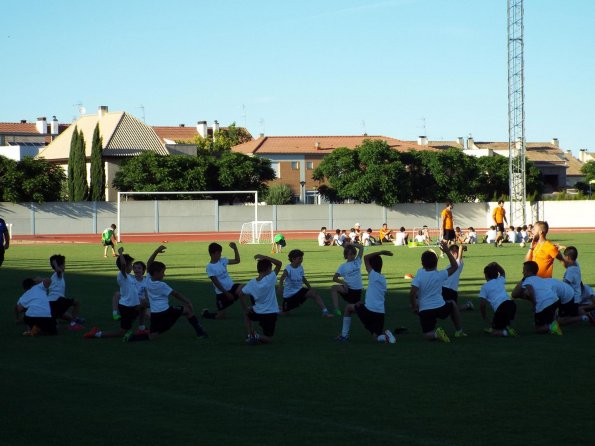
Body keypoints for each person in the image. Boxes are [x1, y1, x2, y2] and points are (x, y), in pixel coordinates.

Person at [124, 245, 207, 342]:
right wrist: (187, 301)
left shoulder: (148, 281)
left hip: (155, 314)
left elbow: (149, 263)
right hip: (165, 312)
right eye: (163, 272)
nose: (164, 274)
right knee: (187, 310)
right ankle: (200, 333)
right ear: (156, 273)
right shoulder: (162, 285)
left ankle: (131, 338)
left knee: (152, 336)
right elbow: (176, 294)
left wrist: (156, 251)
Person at [409, 241, 466, 342]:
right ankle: (459, 330)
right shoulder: (440, 275)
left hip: (425, 310)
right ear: (436, 263)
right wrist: (447, 252)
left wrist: (414, 307)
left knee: (427, 334)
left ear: (422, 263)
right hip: (440, 307)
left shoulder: (419, 275)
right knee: (452, 304)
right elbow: (455, 266)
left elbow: (413, 293)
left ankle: (436, 334)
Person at [84, 247, 147, 339]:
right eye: (130, 265)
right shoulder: (122, 275)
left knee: (144, 304)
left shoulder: (129, 277)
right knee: (122, 332)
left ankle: (141, 328)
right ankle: (96, 334)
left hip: (133, 306)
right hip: (126, 307)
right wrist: (120, 253)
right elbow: (123, 264)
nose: (132, 267)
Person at [336, 250, 396, 343]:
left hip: (369, 311)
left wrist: (381, 252)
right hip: (380, 313)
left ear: (371, 266)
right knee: (376, 337)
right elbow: (376, 295)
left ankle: (344, 335)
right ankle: (387, 337)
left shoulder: (372, 275)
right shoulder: (383, 279)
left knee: (348, 308)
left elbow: (365, 257)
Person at [239, 254, 282, 344]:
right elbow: (279, 263)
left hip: (257, 311)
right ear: (268, 269)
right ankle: (256, 336)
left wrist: (245, 308)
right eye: (270, 269)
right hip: (270, 314)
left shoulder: (252, 283)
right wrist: (265, 257)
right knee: (268, 339)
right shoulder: (270, 279)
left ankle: (250, 334)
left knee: (247, 314)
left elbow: (240, 294)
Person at [511, 260, 562, 335]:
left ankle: (552, 327)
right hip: (555, 300)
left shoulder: (528, 280)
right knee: (546, 317)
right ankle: (553, 320)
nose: (522, 272)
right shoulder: (540, 279)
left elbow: (528, 291)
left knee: (538, 329)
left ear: (528, 272)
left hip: (544, 304)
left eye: (524, 270)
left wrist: (535, 304)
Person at [279, 249, 333, 318]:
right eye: (299, 258)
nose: (301, 260)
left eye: (302, 258)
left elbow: (303, 278)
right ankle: (276, 309)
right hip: (289, 296)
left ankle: (325, 312)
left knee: (314, 293)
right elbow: (282, 277)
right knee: (285, 313)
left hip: (299, 291)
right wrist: (280, 287)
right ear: (293, 259)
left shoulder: (300, 267)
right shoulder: (288, 268)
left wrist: (310, 288)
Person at [202, 242, 242, 320]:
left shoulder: (223, 260)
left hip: (232, 287)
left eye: (220, 252)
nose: (220, 254)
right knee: (221, 317)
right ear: (212, 254)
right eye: (218, 253)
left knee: (244, 289)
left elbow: (237, 260)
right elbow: (216, 283)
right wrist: (227, 294)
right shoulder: (209, 267)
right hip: (222, 293)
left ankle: (248, 310)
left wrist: (235, 248)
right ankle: (205, 313)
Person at [478, 263, 518, 337]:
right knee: (501, 320)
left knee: (495, 332)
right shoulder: (500, 280)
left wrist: (484, 316)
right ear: (497, 274)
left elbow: (482, 304)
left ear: (486, 275)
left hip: (502, 308)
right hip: (512, 304)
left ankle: (505, 332)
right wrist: (495, 264)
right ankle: (506, 326)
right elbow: (502, 272)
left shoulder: (485, 287)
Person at [47, 254, 84, 330]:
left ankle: (71, 319)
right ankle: (73, 324)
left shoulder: (54, 276)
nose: (65, 266)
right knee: (76, 303)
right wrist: (55, 264)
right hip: (56, 301)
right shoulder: (58, 274)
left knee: (63, 314)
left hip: (50, 303)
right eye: (64, 264)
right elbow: (58, 270)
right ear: (60, 265)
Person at [330, 242, 364, 317]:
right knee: (334, 288)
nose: (353, 256)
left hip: (357, 292)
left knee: (357, 309)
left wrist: (350, 244)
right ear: (346, 255)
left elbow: (361, 247)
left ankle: (355, 305)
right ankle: (336, 309)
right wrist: (344, 283)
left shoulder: (357, 261)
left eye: (354, 254)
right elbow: (334, 278)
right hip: (347, 289)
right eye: (350, 254)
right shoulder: (343, 266)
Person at [442, 244, 474, 311]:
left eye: (456, 251)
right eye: (452, 252)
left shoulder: (459, 263)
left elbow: (461, 246)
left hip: (451, 290)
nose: (454, 253)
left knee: (452, 309)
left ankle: (468, 305)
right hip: (443, 288)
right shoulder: (449, 265)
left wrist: (463, 248)